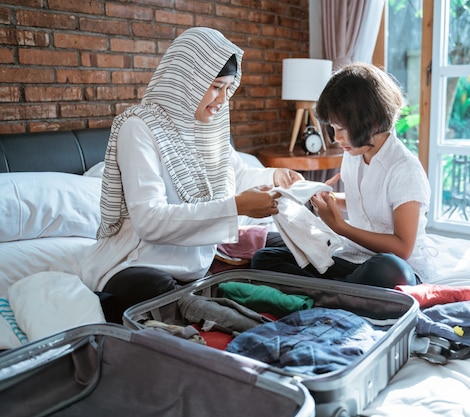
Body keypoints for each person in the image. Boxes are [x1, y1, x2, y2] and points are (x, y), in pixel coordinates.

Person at [80, 27, 303, 323]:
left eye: (227, 88)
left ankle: (205, 309)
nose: (222, 100)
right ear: (188, 79)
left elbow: (232, 175)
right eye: (215, 87)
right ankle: (211, 311)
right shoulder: (139, 128)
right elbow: (149, 221)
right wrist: (237, 206)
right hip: (136, 265)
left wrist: (277, 177)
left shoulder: (209, 128)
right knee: (157, 288)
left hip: (195, 269)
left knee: (276, 252)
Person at [251, 62, 436, 288]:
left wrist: (341, 228)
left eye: (342, 129)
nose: (336, 138)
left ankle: (330, 290)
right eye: (333, 128)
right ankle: (339, 291)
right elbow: (362, 203)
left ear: (372, 122)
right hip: (353, 259)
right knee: (264, 258)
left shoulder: (404, 168)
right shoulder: (354, 153)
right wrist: (317, 196)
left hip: (398, 268)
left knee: (389, 270)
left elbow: (403, 248)